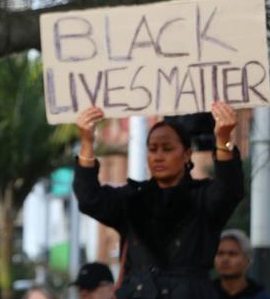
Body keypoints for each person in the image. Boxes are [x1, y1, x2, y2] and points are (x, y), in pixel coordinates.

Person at [73, 101, 244, 298]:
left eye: (167, 148)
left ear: (187, 154)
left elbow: (230, 189)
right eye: (153, 149)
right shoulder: (132, 199)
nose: (158, 156)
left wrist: (223, 139)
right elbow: (89, 199)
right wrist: (87, 143)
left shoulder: (203, 198)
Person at [213, 229, 270, 299]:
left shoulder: (260, 296)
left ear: (247, 259)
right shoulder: (204, 293)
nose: (225, 259)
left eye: (232, 254)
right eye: (220, 253)